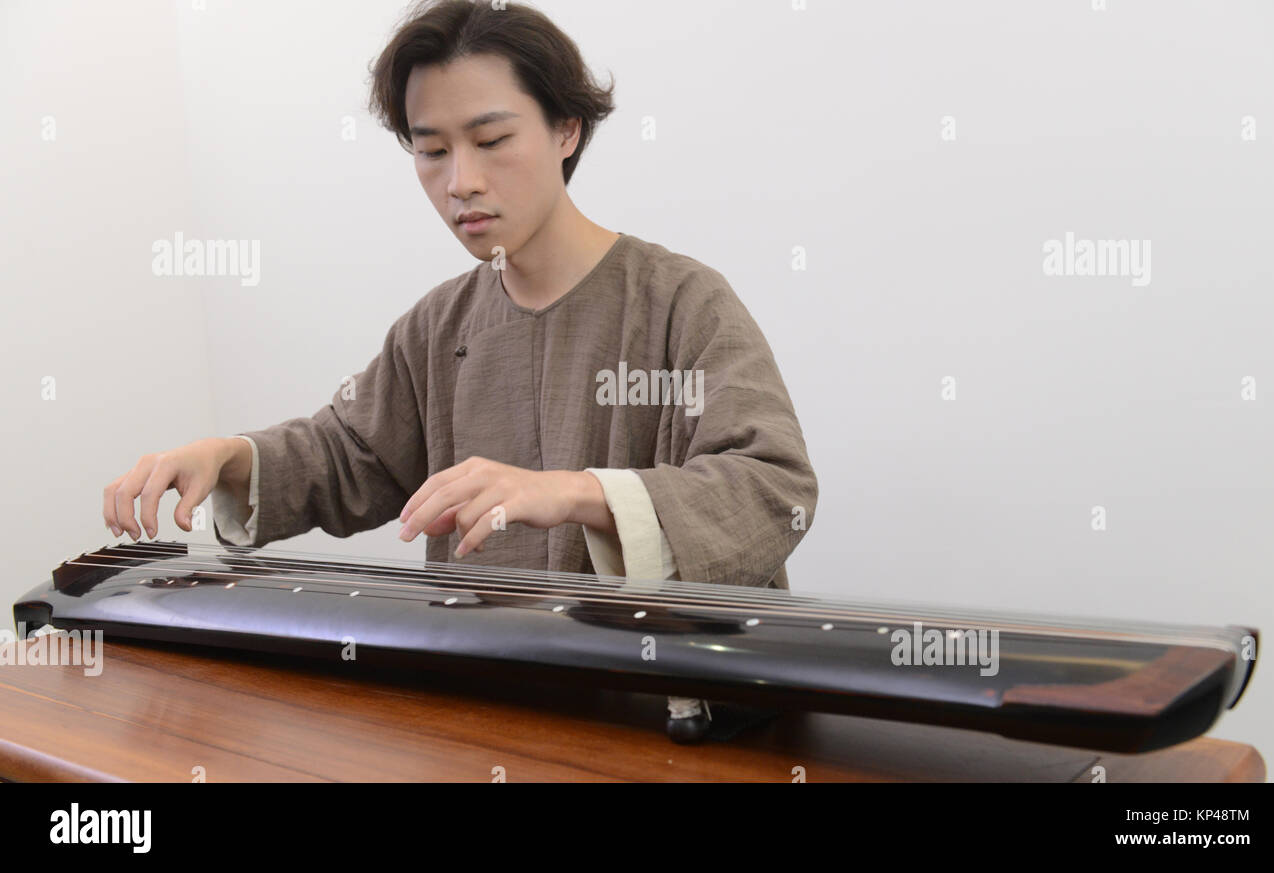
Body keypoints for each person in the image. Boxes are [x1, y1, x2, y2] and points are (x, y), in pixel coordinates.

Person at [101, 0, 817, 590]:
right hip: (488, 702)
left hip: (661, 712)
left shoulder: (681, 301)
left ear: (566, 128)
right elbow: (346, 454)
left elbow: (771, 487)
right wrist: (226, 456)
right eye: (433, 150)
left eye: (490, 139)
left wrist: (574, 493)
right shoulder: (438, 326)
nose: (460, 181)